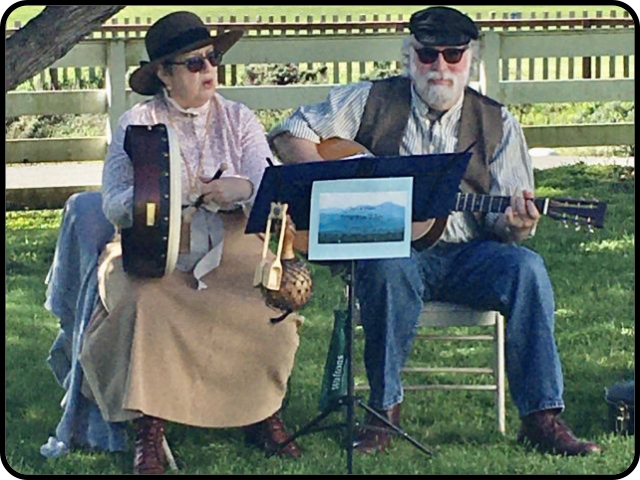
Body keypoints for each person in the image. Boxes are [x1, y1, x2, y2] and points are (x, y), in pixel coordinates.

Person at [268, 6, 602, 457]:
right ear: (410, 56)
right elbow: (289, 133)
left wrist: (516, 223)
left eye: (452, 55)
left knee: (527, 268)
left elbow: (503, 226)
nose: (440, 67)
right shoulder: (371, 99)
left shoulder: (498, 123)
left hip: (470, 257)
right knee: (388, 264)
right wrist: (337, 183)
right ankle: (383, 412)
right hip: (394, 251)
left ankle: (541, 417)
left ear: (470, 59)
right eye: (428, 55)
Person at [44, 11, 302, 475]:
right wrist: (171, 193)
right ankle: (150, 426)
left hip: (232, 236)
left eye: (213, 59)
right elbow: (116, 203)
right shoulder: (137, 124)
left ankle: (260, 410)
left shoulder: (239, 118)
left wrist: (239, 190)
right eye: (194, 63)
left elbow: (270, 181)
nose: (209, 71)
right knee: (146, 300)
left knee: (265, 294)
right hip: (153, 241)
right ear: (163, 74)